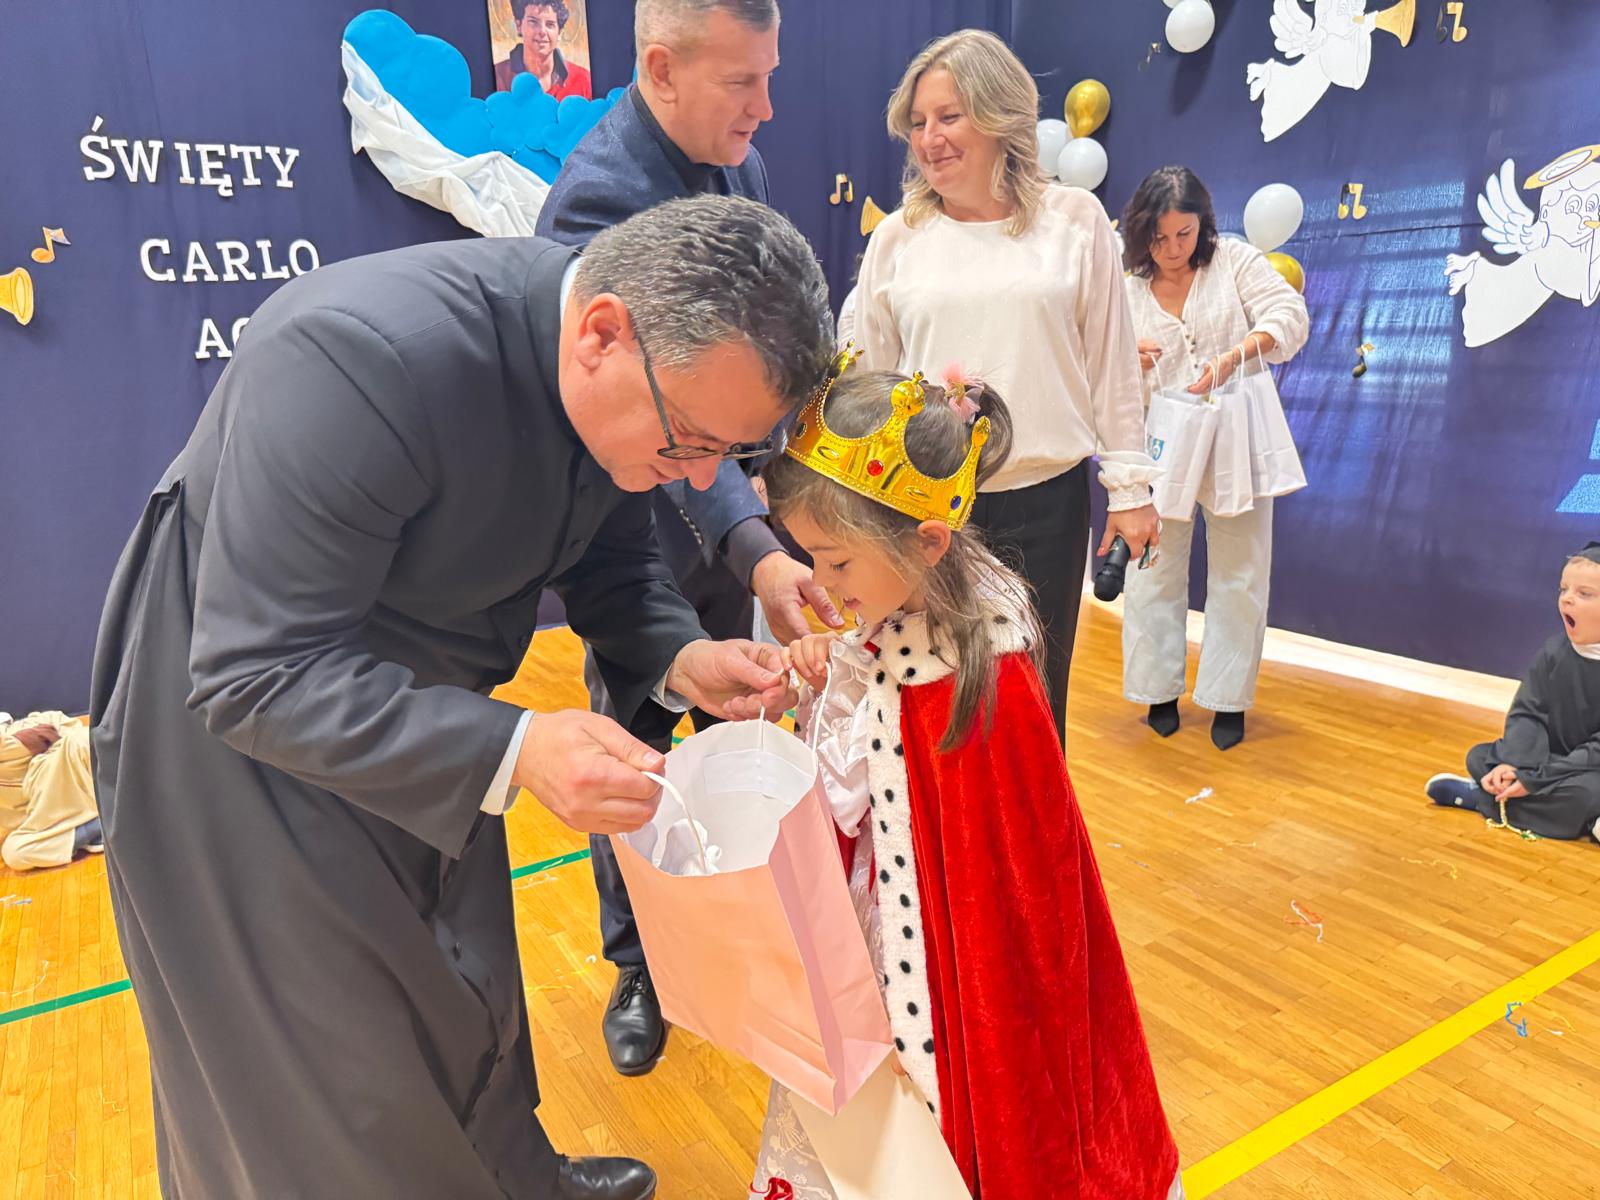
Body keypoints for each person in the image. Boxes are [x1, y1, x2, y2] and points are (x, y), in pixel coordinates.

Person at [89, 194, 832, 1200]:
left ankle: (512, 1176)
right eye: (689, 443)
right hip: (238, 757)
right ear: (601, 334)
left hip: (422, 711)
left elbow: (612, 566)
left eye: (726, 455)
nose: (700, 480)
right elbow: (253, 672)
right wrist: (517, 749)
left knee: (465, 984)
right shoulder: (355, 358)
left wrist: (681, 656)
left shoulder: (623, 390)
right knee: (334, 1069)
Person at [748, 360, 1181, 1199]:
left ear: (928, 542)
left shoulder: (981, 676)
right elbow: (853, 786)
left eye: (835, 563)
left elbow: (1008, 905)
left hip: (947, 985)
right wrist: (826, 674)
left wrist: (841, 684)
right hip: (880, 937)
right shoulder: (894, 616)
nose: (822, 586)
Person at [538, 0, 842, 1078]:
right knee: (635, 751)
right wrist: (754, 543)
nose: (765, 108)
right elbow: (666, 435)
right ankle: (640, 966)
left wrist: (771, 534)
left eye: (769, 77)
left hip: (727, 521)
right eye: (741, 83)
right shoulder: (597, 200)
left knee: (734, 727)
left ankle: (727, 931)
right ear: (661, 69)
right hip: (634, 542)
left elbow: (734, 403)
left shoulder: (733, 167)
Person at [853, 30, 1160, 742]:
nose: (930, 138)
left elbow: (1111, 364)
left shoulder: (1073, 220)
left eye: (949, 116)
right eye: (918, 122)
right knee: (937, 705)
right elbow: (872, 384)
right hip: (927, 510)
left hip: (1046, 506)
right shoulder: (897, 238)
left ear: (999, 116)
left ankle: (1034, 822)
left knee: (1034, 710)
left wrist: (1131, 490)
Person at [1119, 166, 1309, 751]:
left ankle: (1228, 698)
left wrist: (1236, 356)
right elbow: (1093, 363)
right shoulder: (1125, 286)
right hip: (1159, 442)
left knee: (1239, 574)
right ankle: (1157, 690)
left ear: (1202, 225)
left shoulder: (1234, 260)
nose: (1173, 249)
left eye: (1184, 234)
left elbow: (1289, 317)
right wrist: (1128, 357)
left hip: (1235, 437)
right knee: (1152, 569)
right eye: (1159, 238)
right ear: (1141, 233)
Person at [1427, 544, 1600, 842]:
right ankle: (1582, 820)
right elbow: (1528, 713)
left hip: (1588, 767)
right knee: (1480, 756)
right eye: (1563, 589)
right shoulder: (1553, 652)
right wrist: (1515, 765)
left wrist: (1536, 778)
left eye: (1584, 593)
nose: (1567, 598)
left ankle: (1483, 799)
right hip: (1549, 760)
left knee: (1588, 792)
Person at [0, 712, 101, 871]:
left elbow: (63, 725)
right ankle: (96, 828)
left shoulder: (23, 731)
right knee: (14, 852)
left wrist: (50, 741)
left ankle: (96, 824)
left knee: (80, 741)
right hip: (45, 817)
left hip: (76, 781)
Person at [496, 0, 594, 99]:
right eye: (533, 22)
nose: (542, 31)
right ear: (519, 26)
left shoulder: (583, 81)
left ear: (559, 32)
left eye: (550, 24)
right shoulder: (498, 76)